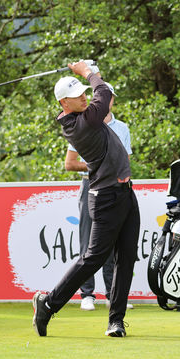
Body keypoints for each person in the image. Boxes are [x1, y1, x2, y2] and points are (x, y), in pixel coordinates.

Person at [32, 61, 140, 337]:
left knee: (126, 258)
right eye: (76, 95)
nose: (83, 96)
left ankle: (116, 321)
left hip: (125, 193)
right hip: (106, 198)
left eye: (83, 91)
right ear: (63, 104)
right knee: (93, 258)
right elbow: (102, 92)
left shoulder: (81, 115)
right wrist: (87, 72)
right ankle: (48, 303)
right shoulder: (85, 121)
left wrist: (88, 71)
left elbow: (99, 93)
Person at [64, 81, 134, 312]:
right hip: (91, 185)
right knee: (88, 242)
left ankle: (112, 294)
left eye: (111, 96)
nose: (108, 99)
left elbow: (125, 160)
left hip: (115, 187)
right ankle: (87, 294)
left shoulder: (122, 128)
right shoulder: (84, 122)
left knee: (112, 244)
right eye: (106, 95)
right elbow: (70, 164)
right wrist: (98, 165)